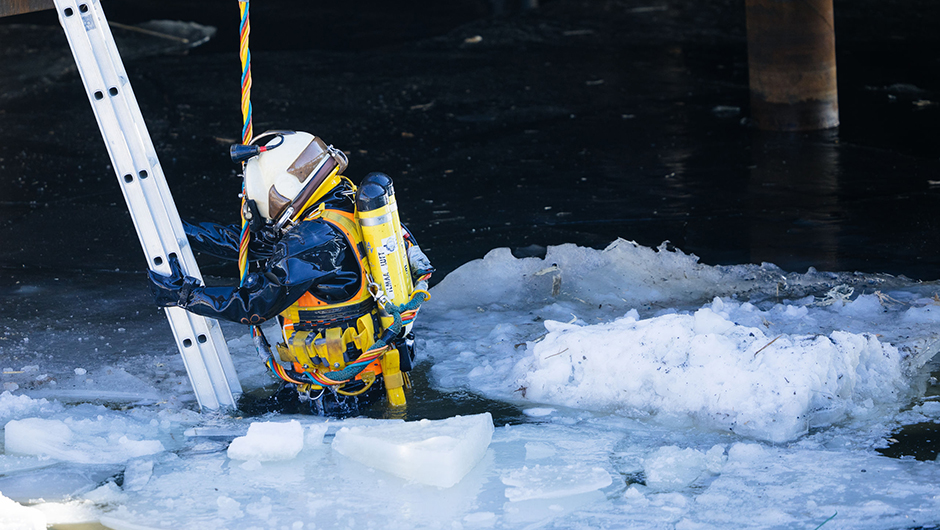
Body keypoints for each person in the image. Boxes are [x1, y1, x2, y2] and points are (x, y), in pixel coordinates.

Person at [147, 130, 433, 414]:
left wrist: (184, 294)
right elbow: (253, 245)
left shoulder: (314, 236)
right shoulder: (337, 204)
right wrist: (184, 232)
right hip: (353, 379)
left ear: (283, 188)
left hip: (344, 393)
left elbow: (254, 304)